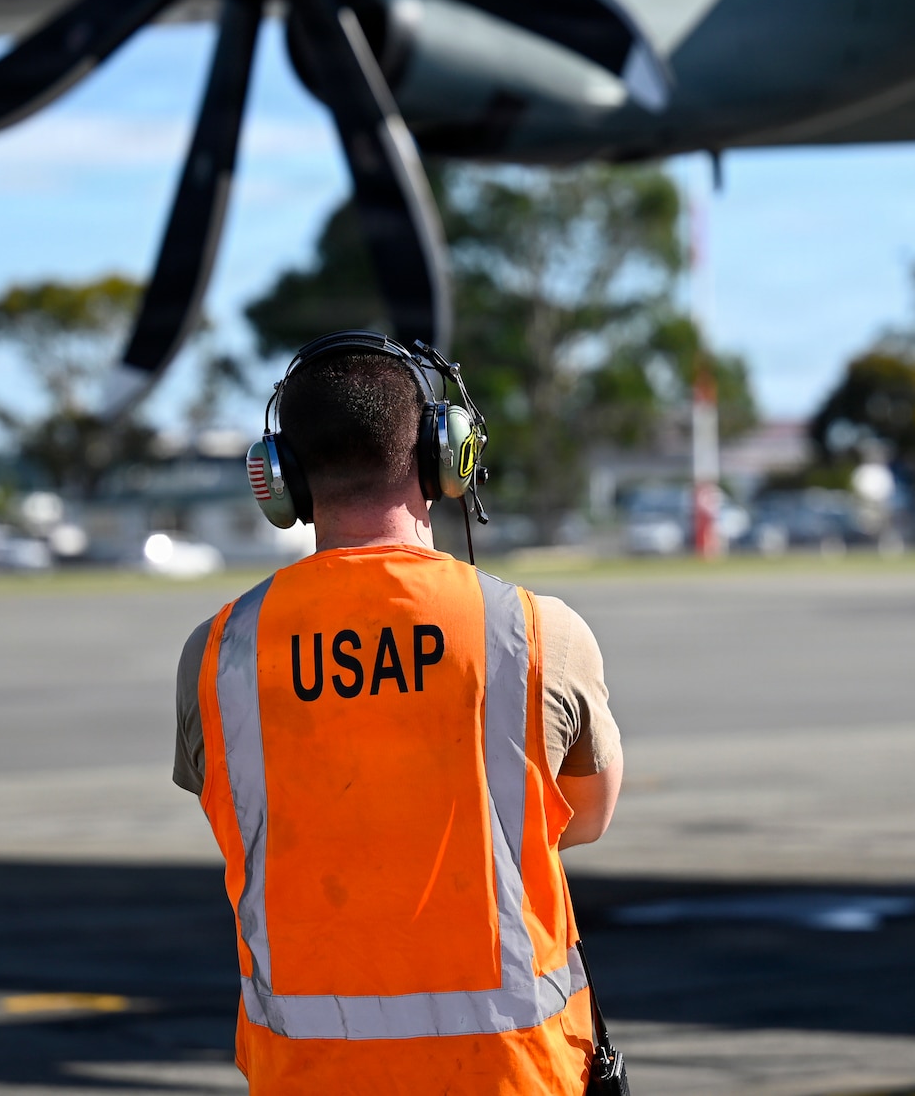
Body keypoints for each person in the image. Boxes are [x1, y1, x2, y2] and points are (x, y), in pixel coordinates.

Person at [171, 333, 624, 1094]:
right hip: (512, 1074)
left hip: (308, 1076)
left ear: (281, 478)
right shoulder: (538, 631)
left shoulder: (218, 653)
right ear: (445, 457)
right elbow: (585, 818)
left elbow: (245, 823)